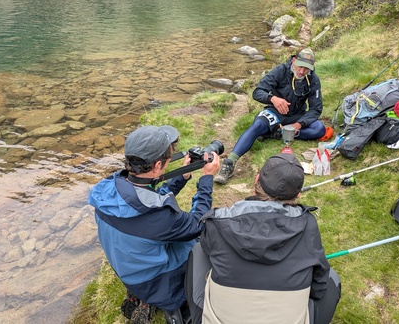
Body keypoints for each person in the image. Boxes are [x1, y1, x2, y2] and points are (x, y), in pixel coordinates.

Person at [87, 125, 220, 324]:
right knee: (207, 235)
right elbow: (197, 223)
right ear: (157, 166)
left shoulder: (109, 187)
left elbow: (148, 197)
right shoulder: (159, 216)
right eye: (167, 160)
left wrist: (183, 175)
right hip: (155, 282)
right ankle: (170, 302)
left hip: (127, 269)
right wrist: (207, 179)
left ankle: (141, 296)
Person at [192, 153, 341, 324]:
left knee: (198, 250)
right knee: (332, 278)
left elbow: (209, 250)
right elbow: (319, 282)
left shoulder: (218, 220)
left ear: (256, 180)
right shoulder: (307, 224)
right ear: (298, 194)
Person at [214, 47, 326, 184]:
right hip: (274, 112)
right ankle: (229, 162)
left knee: (319, 129)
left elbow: (316, 109)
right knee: (258, 125)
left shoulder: (313, 79)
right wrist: (273, 99)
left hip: (297, 116)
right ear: (294, 60)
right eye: (300, 67)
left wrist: (299, 124)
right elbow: (257, 92)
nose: (302, 72)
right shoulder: (280, 71)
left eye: (306, 69)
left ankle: (277, 133)